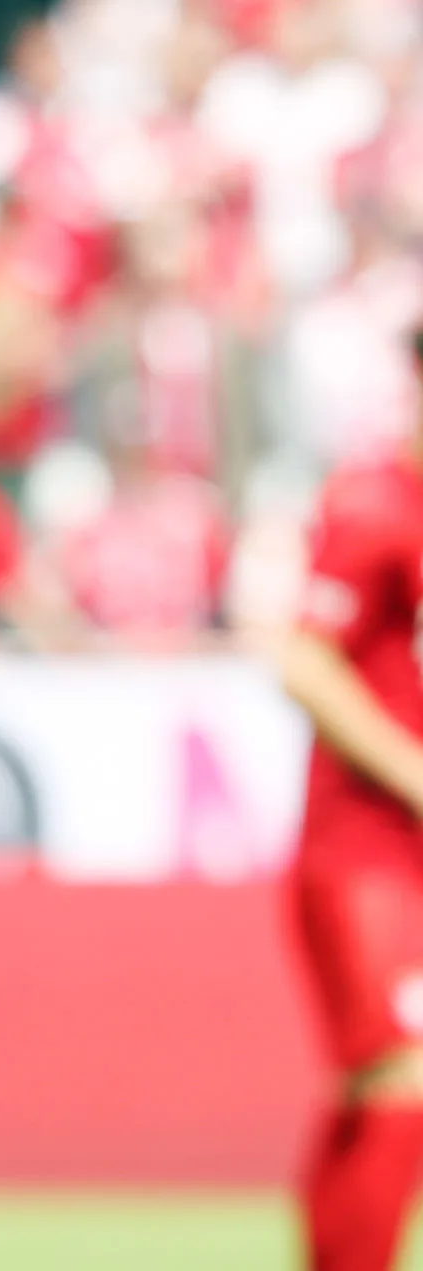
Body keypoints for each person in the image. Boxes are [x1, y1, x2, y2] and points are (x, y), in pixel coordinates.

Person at [275, 327, 423, 1271]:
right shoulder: (375, 505)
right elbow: (304, 662)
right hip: (364, 851)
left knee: (378, 1085)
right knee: (404, 1075)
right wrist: (415, 775)